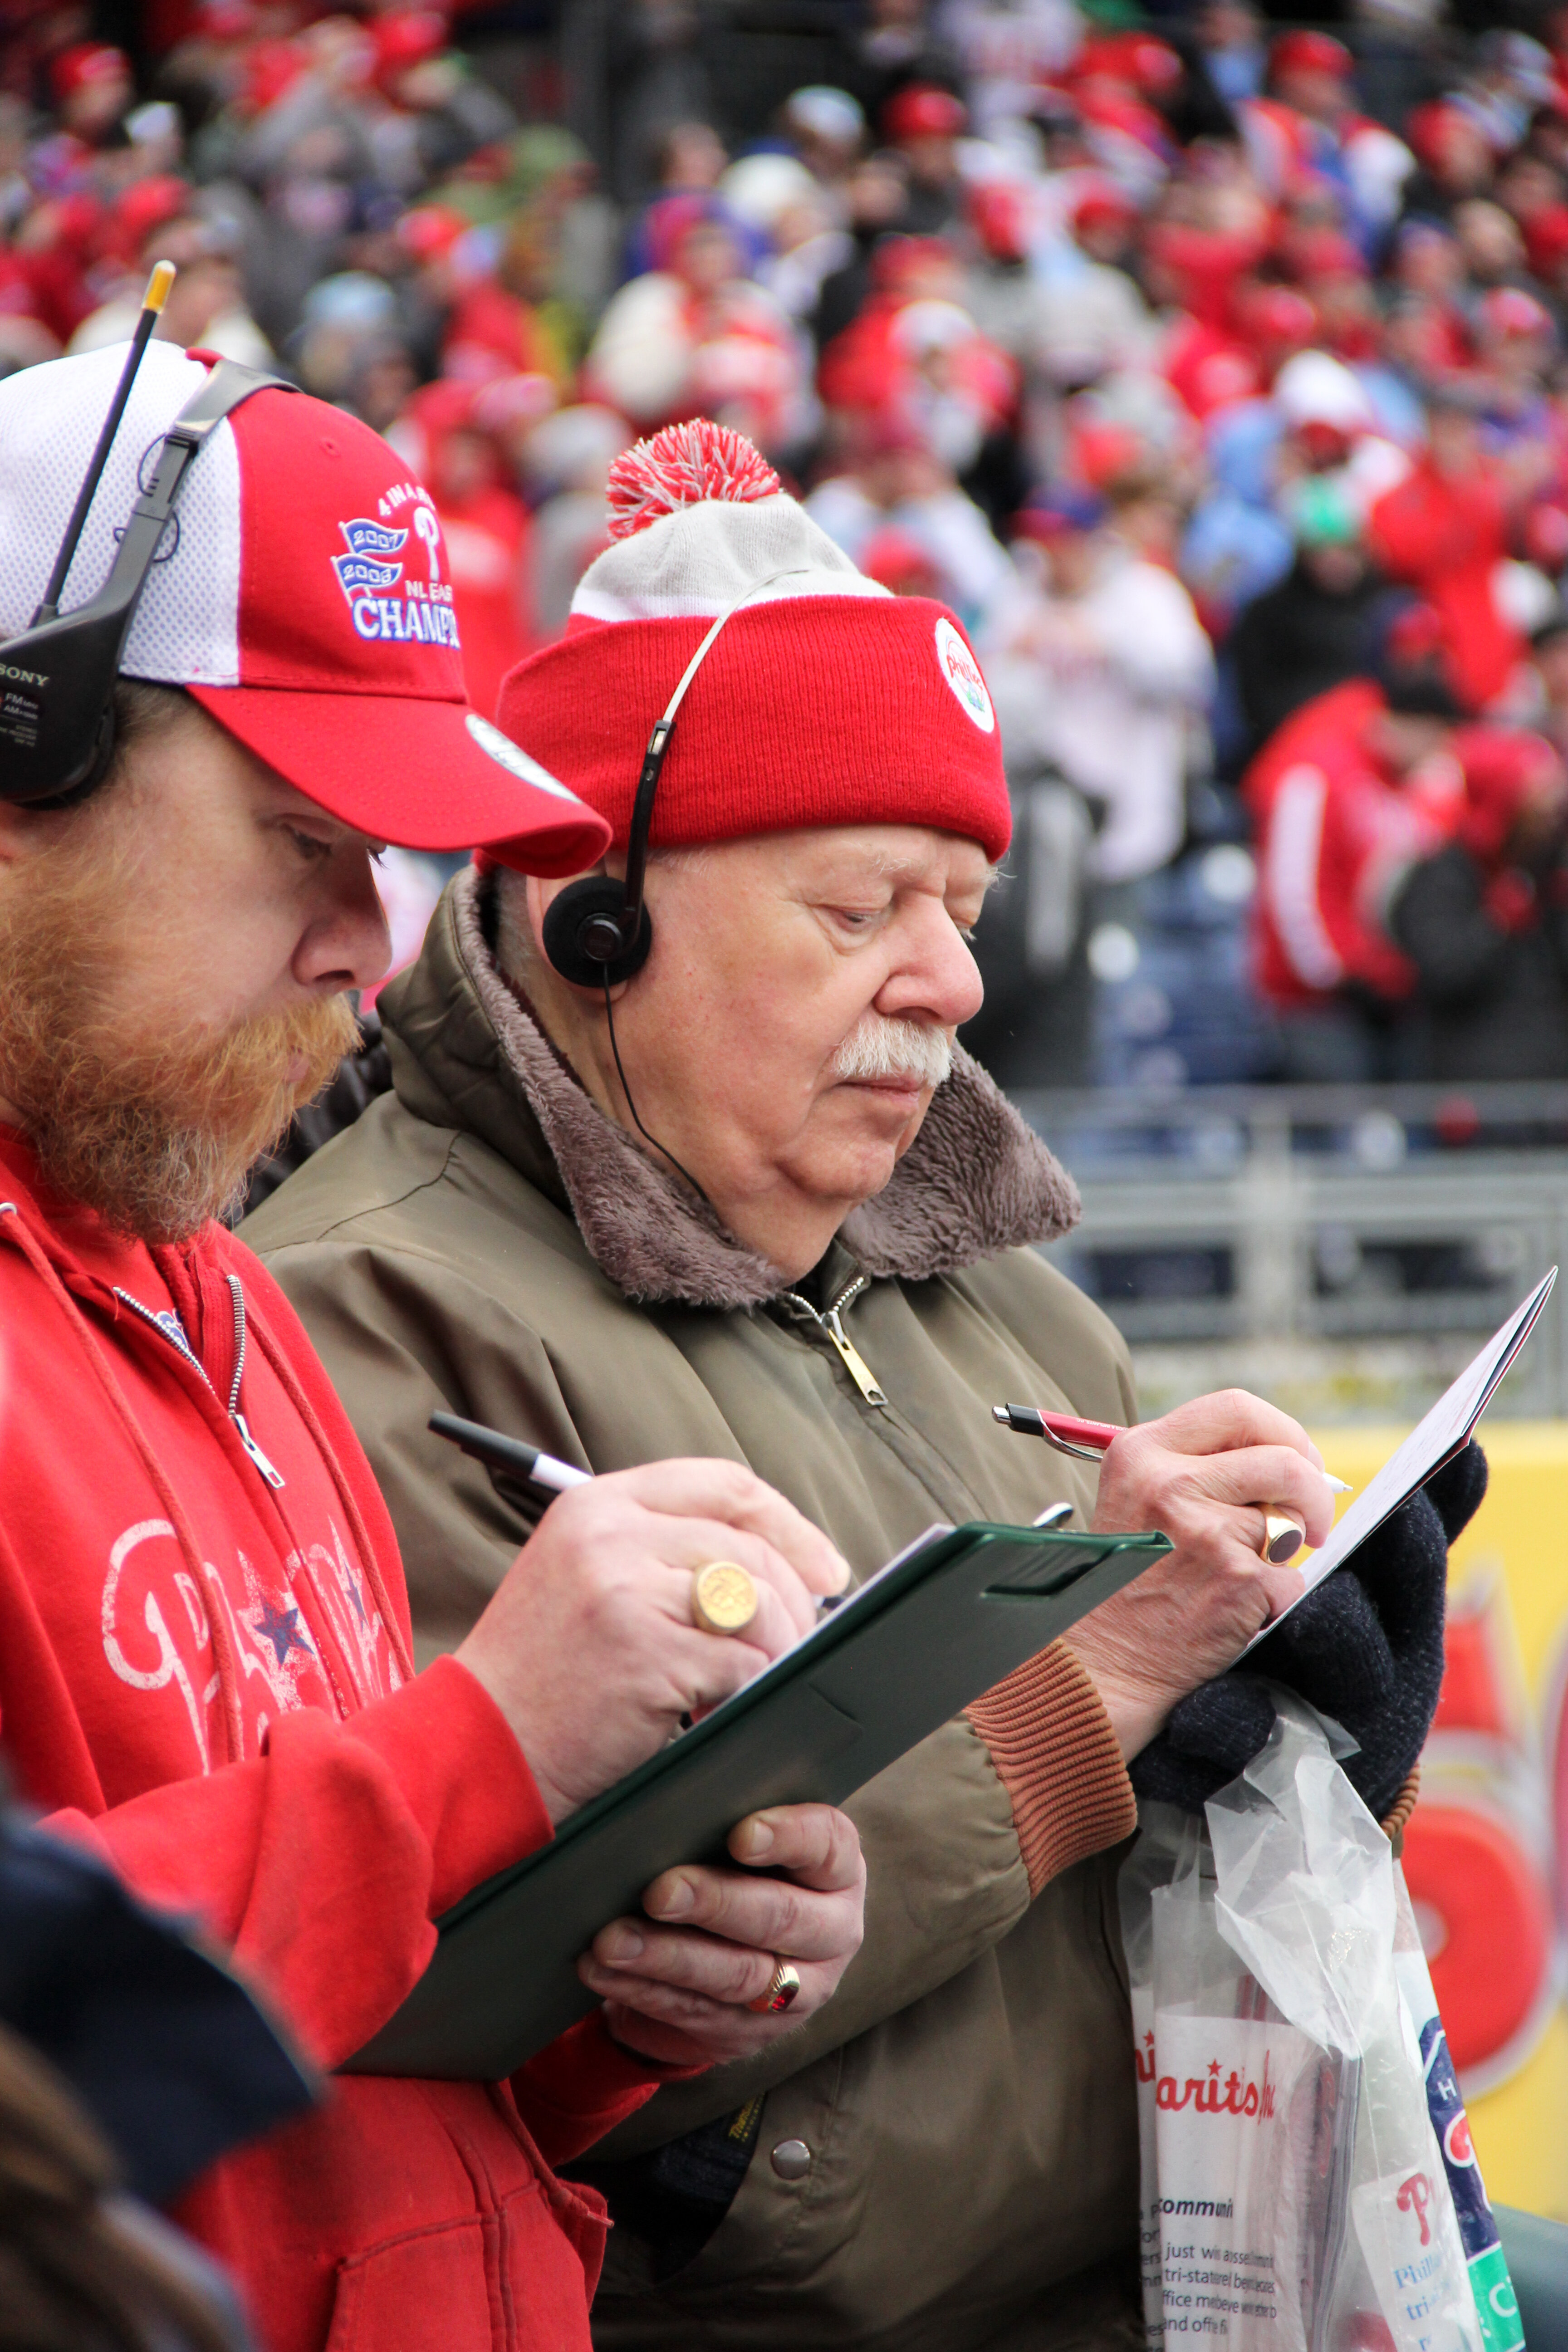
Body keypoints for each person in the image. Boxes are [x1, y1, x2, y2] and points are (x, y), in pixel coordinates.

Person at [244, 423, 1447, 2352]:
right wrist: (1091, 1690)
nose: (948, 979)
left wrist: (1296, 1721)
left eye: (960, 906)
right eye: (859, 905)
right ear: (592, 911)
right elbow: (500, 2001)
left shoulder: (1016, 1304)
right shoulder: (362, 1310)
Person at [0, 349, 867, 2352]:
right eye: (304, 831)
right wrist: (478, 1750)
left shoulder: (217, 1286)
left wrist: (621, 1988)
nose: (369, 941)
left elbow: (369, 2074)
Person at [1244, 666, 1459, 1080]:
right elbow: (1295, 896)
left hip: (1390, 998)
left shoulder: (1409, 784)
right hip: (1317, 1005)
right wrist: (1342, 977)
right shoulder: (1317, 772)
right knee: (1342, 1109)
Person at [1387, 725, 1568, 1080]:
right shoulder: (1443, 876)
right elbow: (1444, 972)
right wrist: (1497, 920)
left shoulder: (1545, 872)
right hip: (1477, 1073)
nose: (1547, 824)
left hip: (1550, 1067)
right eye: (1536, 811)